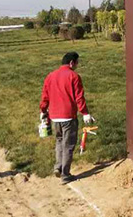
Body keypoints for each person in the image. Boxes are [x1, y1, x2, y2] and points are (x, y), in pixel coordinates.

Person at [39, 51, 94, 183]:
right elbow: (79, 97)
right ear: (71, 63)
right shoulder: (74, 76)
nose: (77, 65)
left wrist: (43, 110)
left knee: (59, 141)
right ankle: (65, 174)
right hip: (68, 116)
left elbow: (45, 96)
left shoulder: (50, 76)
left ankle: (58, 166)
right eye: (77, 63)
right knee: (68, 145)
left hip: (54, 117)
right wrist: (85, 113)